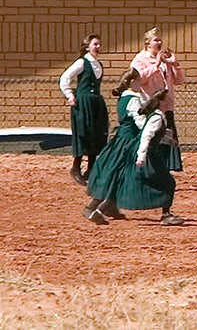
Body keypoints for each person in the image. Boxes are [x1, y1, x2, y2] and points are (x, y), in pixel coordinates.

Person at [82, 68, 146, 224]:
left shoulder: (123, 97)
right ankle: (94, 206)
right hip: (129, 140)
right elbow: (139, 121)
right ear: (132, 82)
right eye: (139, 81)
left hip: (120, 139)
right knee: (119, 173)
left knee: (116, 171)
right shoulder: (134, 99)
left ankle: (111, 205)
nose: (141, 84)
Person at [115, 88, 185, 226]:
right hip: (150, 153)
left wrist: (170, 141)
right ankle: (166, 215)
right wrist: (141, 155)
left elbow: (157, 135)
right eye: (168, 100)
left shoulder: (158, 115)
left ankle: (165, 213)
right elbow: (146, 136)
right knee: (168, 182)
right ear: (161, 103)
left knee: (161, 181)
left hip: (152, 152)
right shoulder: (157, 118)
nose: (170, 102)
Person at [130, 27, 185, 172]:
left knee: (167, 140)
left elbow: (179, 80)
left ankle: (165, 170)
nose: (159, 42)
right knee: (152, 139)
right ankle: (147, 169)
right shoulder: (140, 59)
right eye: (156, 40)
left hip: (166, 106)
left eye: (160, 40)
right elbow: (139, 79)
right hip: (150, 106)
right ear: (148, 43)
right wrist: (156, 65)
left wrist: (174, 64)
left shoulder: (164, 60)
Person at [60, 34, 108, 186]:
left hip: (95, 102)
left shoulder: (98, 64)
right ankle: (76, 167)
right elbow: (65, 78)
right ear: (87, 47)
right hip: (84, 101)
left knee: (96, 133)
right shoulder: (82, 62)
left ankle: (92, 168)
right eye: (95, 44)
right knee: (83, 132)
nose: (98, 47)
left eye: (99, 44)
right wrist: (70, 96)